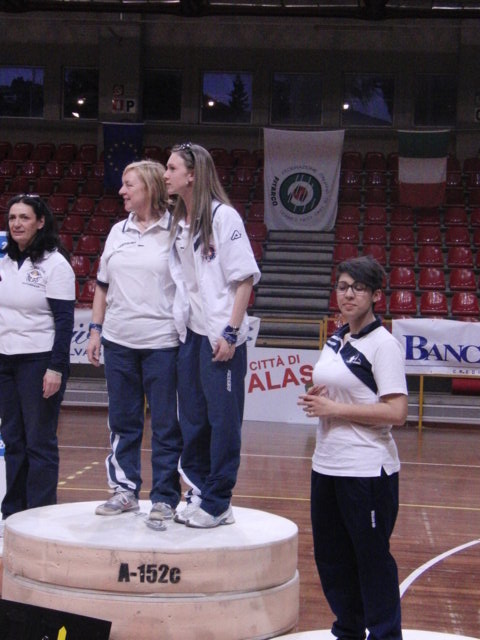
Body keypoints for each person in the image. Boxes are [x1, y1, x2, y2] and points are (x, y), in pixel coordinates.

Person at [298, 255, 407, 640]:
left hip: (367, 470)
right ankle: (348, 630)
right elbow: (346, 391)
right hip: (326, 464)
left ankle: (385, 635)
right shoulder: (335, 339)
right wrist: (318, 398)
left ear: (375, 295)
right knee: (331, 559)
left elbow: (396, 412)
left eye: (358, 288)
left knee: (371, 560)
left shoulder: (383, 345)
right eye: (343, 287)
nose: (348, 294)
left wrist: (335, 409)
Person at [165, 142, 260, 529]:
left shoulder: (224, 217)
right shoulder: (180, 223)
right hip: (191, 334)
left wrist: (231, 332)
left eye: (171, 168)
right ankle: (200, 491)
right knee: (192, 419)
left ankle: (219, 501)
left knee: (223, 422)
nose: (165, 174)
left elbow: (245, 279)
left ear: (192, 175)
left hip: (221, 336)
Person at [87, 160, 182, 523]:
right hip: (118, 341)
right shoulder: (117, 231)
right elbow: (102, 285)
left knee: (165, 424)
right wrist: (96, 330)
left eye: (129, 185)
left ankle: (165, 496)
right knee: (123, 421)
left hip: (163, 342)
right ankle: (124, 490)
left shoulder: (177, 230)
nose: (121, 191)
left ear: (151, 188)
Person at [0, 194, 75, 519]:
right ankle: (13, 514)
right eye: (12, 217)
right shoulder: (4, 260)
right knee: (13, 440)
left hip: (39, 361)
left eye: (24, 217)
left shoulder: (55, 264)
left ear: (41, 222)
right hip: (5, 361)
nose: (16, 223)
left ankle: (40, 516)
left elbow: (65, 321)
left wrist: (56, 368)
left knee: (39, 442)